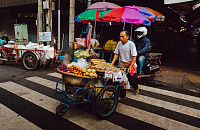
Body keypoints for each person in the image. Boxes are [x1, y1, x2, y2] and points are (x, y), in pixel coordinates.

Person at [111, 30, 139, 96]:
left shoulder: (131, 44)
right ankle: (122, 95)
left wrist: (131, 66)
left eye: (123, 37)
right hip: (121, 63)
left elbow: (134, 57)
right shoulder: (119, 43)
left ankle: (136, 88)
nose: (121, 38)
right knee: (121, 79)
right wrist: (111, 64)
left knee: (132, 80)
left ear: (127, 37)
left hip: (130, 63)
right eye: (120, 36)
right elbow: (116, 54)